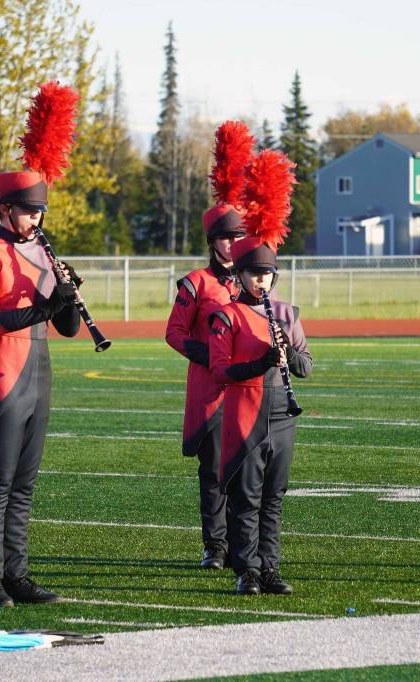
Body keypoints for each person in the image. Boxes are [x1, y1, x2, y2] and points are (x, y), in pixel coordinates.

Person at [0, 81, 81, 607]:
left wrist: (67, 300)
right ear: (7, 209)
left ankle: (16, 575)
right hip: (2, 379)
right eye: (30, 212)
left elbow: (69, 329)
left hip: (38, 374)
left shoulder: (40, 256)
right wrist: (43, 305)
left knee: (25, 484)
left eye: (40, 213)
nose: (37, 221)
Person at [208, 149, 312, 596]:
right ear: (242, 275)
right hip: (246, 415)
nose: (261, 282)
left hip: (282, 418)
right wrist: (261, 363)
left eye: (267, 275)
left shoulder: (287, 313)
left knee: (274, 498)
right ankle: (245, 569)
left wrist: (288, 354)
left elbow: (307, 366)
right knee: (246, 497)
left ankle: (269, 567)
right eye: (253, 274)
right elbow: (221, 371)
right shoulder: (226, 316)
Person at [165, 121, 253, 569]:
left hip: (250, 392)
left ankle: (245, 547)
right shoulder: (195, 283)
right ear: (212, 241)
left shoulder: (254, 283)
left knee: (248, 474)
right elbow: (173, 333)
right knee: (214, 474)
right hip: (211, 391)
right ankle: (215, 547)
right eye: (224, 237)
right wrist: (211, 358)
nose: (232, 243)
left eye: (238, 236)